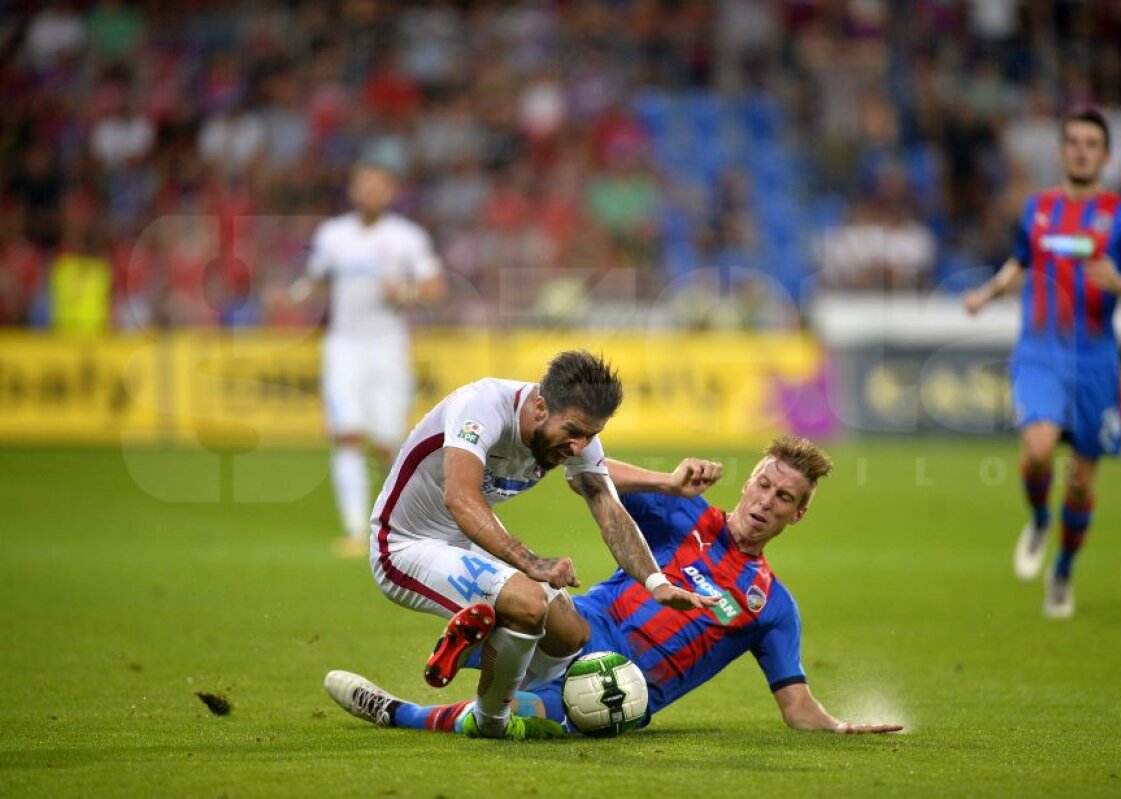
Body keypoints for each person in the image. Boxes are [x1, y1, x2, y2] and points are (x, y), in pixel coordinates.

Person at [324, 435, 903, 737]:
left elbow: (796, 704)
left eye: (783, 498)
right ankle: (475, 644)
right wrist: (668, 482)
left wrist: (840, 725)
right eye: (763, 484)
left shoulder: (772, 607)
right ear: (748, 482)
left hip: (618, 690)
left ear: (795, 515)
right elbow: (586, 479)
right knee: (556, 612)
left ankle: (409, 701)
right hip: (591, 625)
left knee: (510, 719)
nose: (764, 502)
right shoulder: (686, 515)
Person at [331, 350, 718, 740]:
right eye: (573, 431)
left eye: (592, 436)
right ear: (539, 406)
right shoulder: (480, 406)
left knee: (570, 633)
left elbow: (608, 508)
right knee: (528, 602)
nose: (580, 447)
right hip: (404, 547)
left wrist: (657, 583)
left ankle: (488, 652)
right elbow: (460, 497)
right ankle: (492, 719)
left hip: (467, 540)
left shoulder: (575, 437)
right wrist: (529, 562)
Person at [963, 108, 1121, 618]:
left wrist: (1119, 282)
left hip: (1094, 360)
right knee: (1037, 448)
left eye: (1090, 144)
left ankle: (1064, 572)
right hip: (1039, 351)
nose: (1080, 150)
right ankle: (1038, 520)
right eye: (1072, 142)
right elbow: (1021, 262)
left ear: (1105, 155)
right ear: (1061, 150)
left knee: (1080, 479)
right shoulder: (1038, 209)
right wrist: (987, 293)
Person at [274, 155, 447, 556]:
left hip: (387, 349)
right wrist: (290, 297)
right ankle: (355, 530)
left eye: (378, 184)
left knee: (388, 443)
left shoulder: (407, 237)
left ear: (390, 191)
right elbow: (313, 280)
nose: (370, 191)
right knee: (346, 433)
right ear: (353, 190)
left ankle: (407, 521)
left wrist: (404, 293)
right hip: (343, 348)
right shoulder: (333, 234)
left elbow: (435, 288)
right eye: (363, 184)